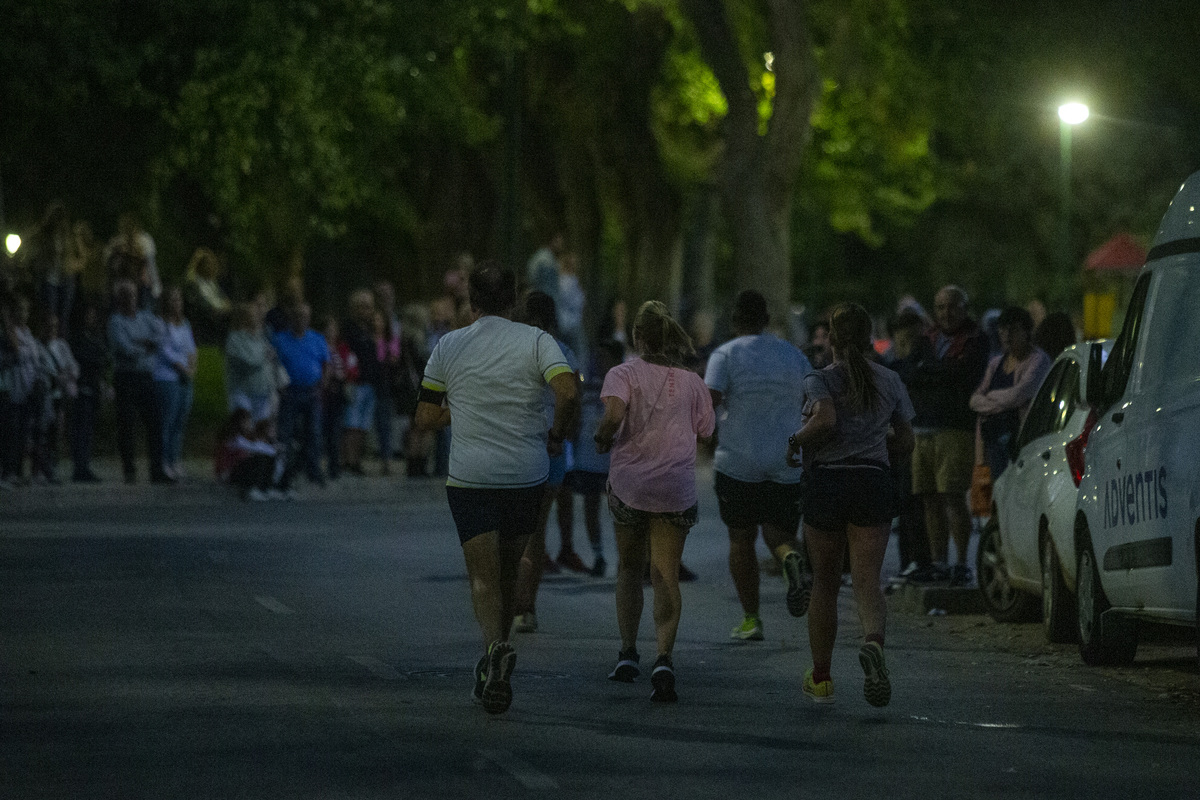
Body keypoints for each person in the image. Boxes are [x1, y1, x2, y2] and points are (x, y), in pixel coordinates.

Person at [413, 262, 579, 715]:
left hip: (471, 476)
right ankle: (498, 650)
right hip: (526, 475)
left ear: (472, 300)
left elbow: (424, 419)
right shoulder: (538, 341)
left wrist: (460, 410)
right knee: (508, 572)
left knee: (483, 578)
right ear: (513, 301)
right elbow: (568, 392)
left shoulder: (449, 345)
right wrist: (557, 436)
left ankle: (493, 651)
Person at [785, 302, 915, 707]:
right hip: (872, 482)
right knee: (867, 581)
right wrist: (874, 446)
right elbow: (907, 441)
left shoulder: (819, 379)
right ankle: (873, 643)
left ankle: (821, 678)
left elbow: (824, 420)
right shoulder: (890, 379)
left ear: (832, 338)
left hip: (828, 482)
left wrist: (796, 441)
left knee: (824, 583)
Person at [594, 300, 715, 703]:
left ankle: (628, 653)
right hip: (675, 490)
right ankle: (664, 657)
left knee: (629, 568)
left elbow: (613, 417)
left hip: (630, 486)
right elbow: (706, 431)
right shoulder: (693, 382)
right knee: (665, 572)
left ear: (638, 338)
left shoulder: (623, 373)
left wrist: (602, 438)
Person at [704, 290, 813, 642]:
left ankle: (751, 619)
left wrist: (702, 440)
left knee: (741, 539)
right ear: (766, 320)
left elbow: (709, 403)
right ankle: (790, 559)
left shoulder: (725, 355)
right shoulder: (794, 356)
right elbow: (814, 400)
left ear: (735, 321)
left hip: (739, 460)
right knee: (778, 534)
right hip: (787, 458)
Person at [906, 285, 989, 586]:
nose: (946, 313)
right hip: (923, 427)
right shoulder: (925, 339)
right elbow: (909, 374)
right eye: (940, 307)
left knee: (953, 495)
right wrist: (940, 372)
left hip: (955, 428)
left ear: (964, 308)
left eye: (952, 306)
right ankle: (939, 561)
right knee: (929, 497)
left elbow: (965, 376)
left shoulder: (977, 340)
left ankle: (962, 561)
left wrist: (929, 373)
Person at [512, 290, 582, 634]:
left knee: (511, 530)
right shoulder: (564, 351)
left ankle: (512, 601)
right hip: (552, 449)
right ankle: (527, 608)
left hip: (515, 447)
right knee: (536, 530)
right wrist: (561, 435)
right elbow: (573, 400)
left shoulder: (514, 350)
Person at [560, 338, 625, 578]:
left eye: (604, 357)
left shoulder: (624, 384)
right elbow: (576, 416)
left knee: (620, 509)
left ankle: (624, 559)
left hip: (615, 459)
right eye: (597, 357)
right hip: (588, 458)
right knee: (590, 507)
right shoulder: (589, 385)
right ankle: (598, 555)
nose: (599, 362)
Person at [970, 307, 1052, 482]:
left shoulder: (1038, 360)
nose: (1006, 335)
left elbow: (1020, 394)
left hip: (1021, 443)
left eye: (1013, 330)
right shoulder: (996, 363)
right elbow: (975, 400)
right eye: (1002, 330)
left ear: (1026, 331)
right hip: (993, 441)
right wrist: (1002, 402)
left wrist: (990, 397)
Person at [880, 309, 932, 581]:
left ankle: (919, 560)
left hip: (915, 435)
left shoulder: (923, 358)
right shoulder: (892, 363)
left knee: (914, 501)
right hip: (896, 438)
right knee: (904, 502)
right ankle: (907, 562)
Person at [108, 279, 170, 483]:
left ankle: (157, 469)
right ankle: (129, 470)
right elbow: (125, 349)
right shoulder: (116, 322)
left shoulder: (145, 317)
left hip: (145, 376)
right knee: (127, 424)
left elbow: (160, 338)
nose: (131, 300)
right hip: (126, 377)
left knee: (155, 422)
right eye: (126, 296)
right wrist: (146, 345)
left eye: (133, 295)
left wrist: (141, 344)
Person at [271, 302, 329, 487]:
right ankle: (284, 470)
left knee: (314, 432)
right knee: (286, 433)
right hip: (290, 391)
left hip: (312, 391)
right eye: (298, 316)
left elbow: (325, 363)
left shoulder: (317, 339)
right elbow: (273, 363)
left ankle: (313, 470)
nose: (301, 320)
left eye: (304, 316)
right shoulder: (280, 340)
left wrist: (323, 384)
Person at [154, 286, 198, 480]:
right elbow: (165, 350)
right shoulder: (161, 324)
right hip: (168, 377)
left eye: (178, 300)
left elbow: (191, 347)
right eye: (172, 300)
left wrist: (192, 366)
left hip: (185, 378)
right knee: (167, 422)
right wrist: (182, 367)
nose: (176, 304)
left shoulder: (185, 324)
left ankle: (175, 459)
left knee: (180, 421)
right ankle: (164, 462)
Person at [32, 311, 79, 484]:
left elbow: (73, 366)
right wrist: (58, 376)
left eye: (55, 326)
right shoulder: (36, 345)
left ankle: (50, 467)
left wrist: (66, 375)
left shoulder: (61, 345)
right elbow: (38, 370)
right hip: (44, 395)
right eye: (49, 326)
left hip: (59, 396)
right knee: (41, 431)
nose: (52, 329)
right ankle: (38, 470)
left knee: (55, 432)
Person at [69, 304, 109, 483]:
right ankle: (80, 466)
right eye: (88, 315)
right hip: (83, 387)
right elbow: (85, 357)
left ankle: (84, 465)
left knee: (88, 429)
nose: (90, 319)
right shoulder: (77, 338)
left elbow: (103, 356)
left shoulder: (95, 337)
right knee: (82, 428)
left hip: (93, 387)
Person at [224, 301, 281, 422]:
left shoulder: (261, 338)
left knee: (259, 433)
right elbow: (247, 363)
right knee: (244, 431)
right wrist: (265, 356)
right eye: (254, 315)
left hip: (262, 394)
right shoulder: (235, 340)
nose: (259, 317)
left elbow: (271, 361)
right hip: (243, 394)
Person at [104, 213, 160, 310]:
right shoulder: (116, 242)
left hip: (142, 286)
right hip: (123, 287)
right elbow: (108, 264)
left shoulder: (145, 240)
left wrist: (156, 287)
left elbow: (151, 266)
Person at [183, 247, 232, 346]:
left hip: (218, 312)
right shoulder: (193, 283)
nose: (211, 267)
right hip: (205, 316)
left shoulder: (212, 283)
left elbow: (223, 298)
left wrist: (225, 307)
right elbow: (198, 302)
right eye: (208, 264)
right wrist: (214, 309)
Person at [556, 251, 586, 360]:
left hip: (564, 322)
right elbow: (576, 301)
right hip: (572, 324)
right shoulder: (568, 281)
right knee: (580, 355)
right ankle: (581, 376)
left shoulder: (564, 279)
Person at [525, 232, 564, 303]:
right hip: (544, 300)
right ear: (552, 241)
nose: (561, 245)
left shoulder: (544, 257)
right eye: (559, 242)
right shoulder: (546, 259)